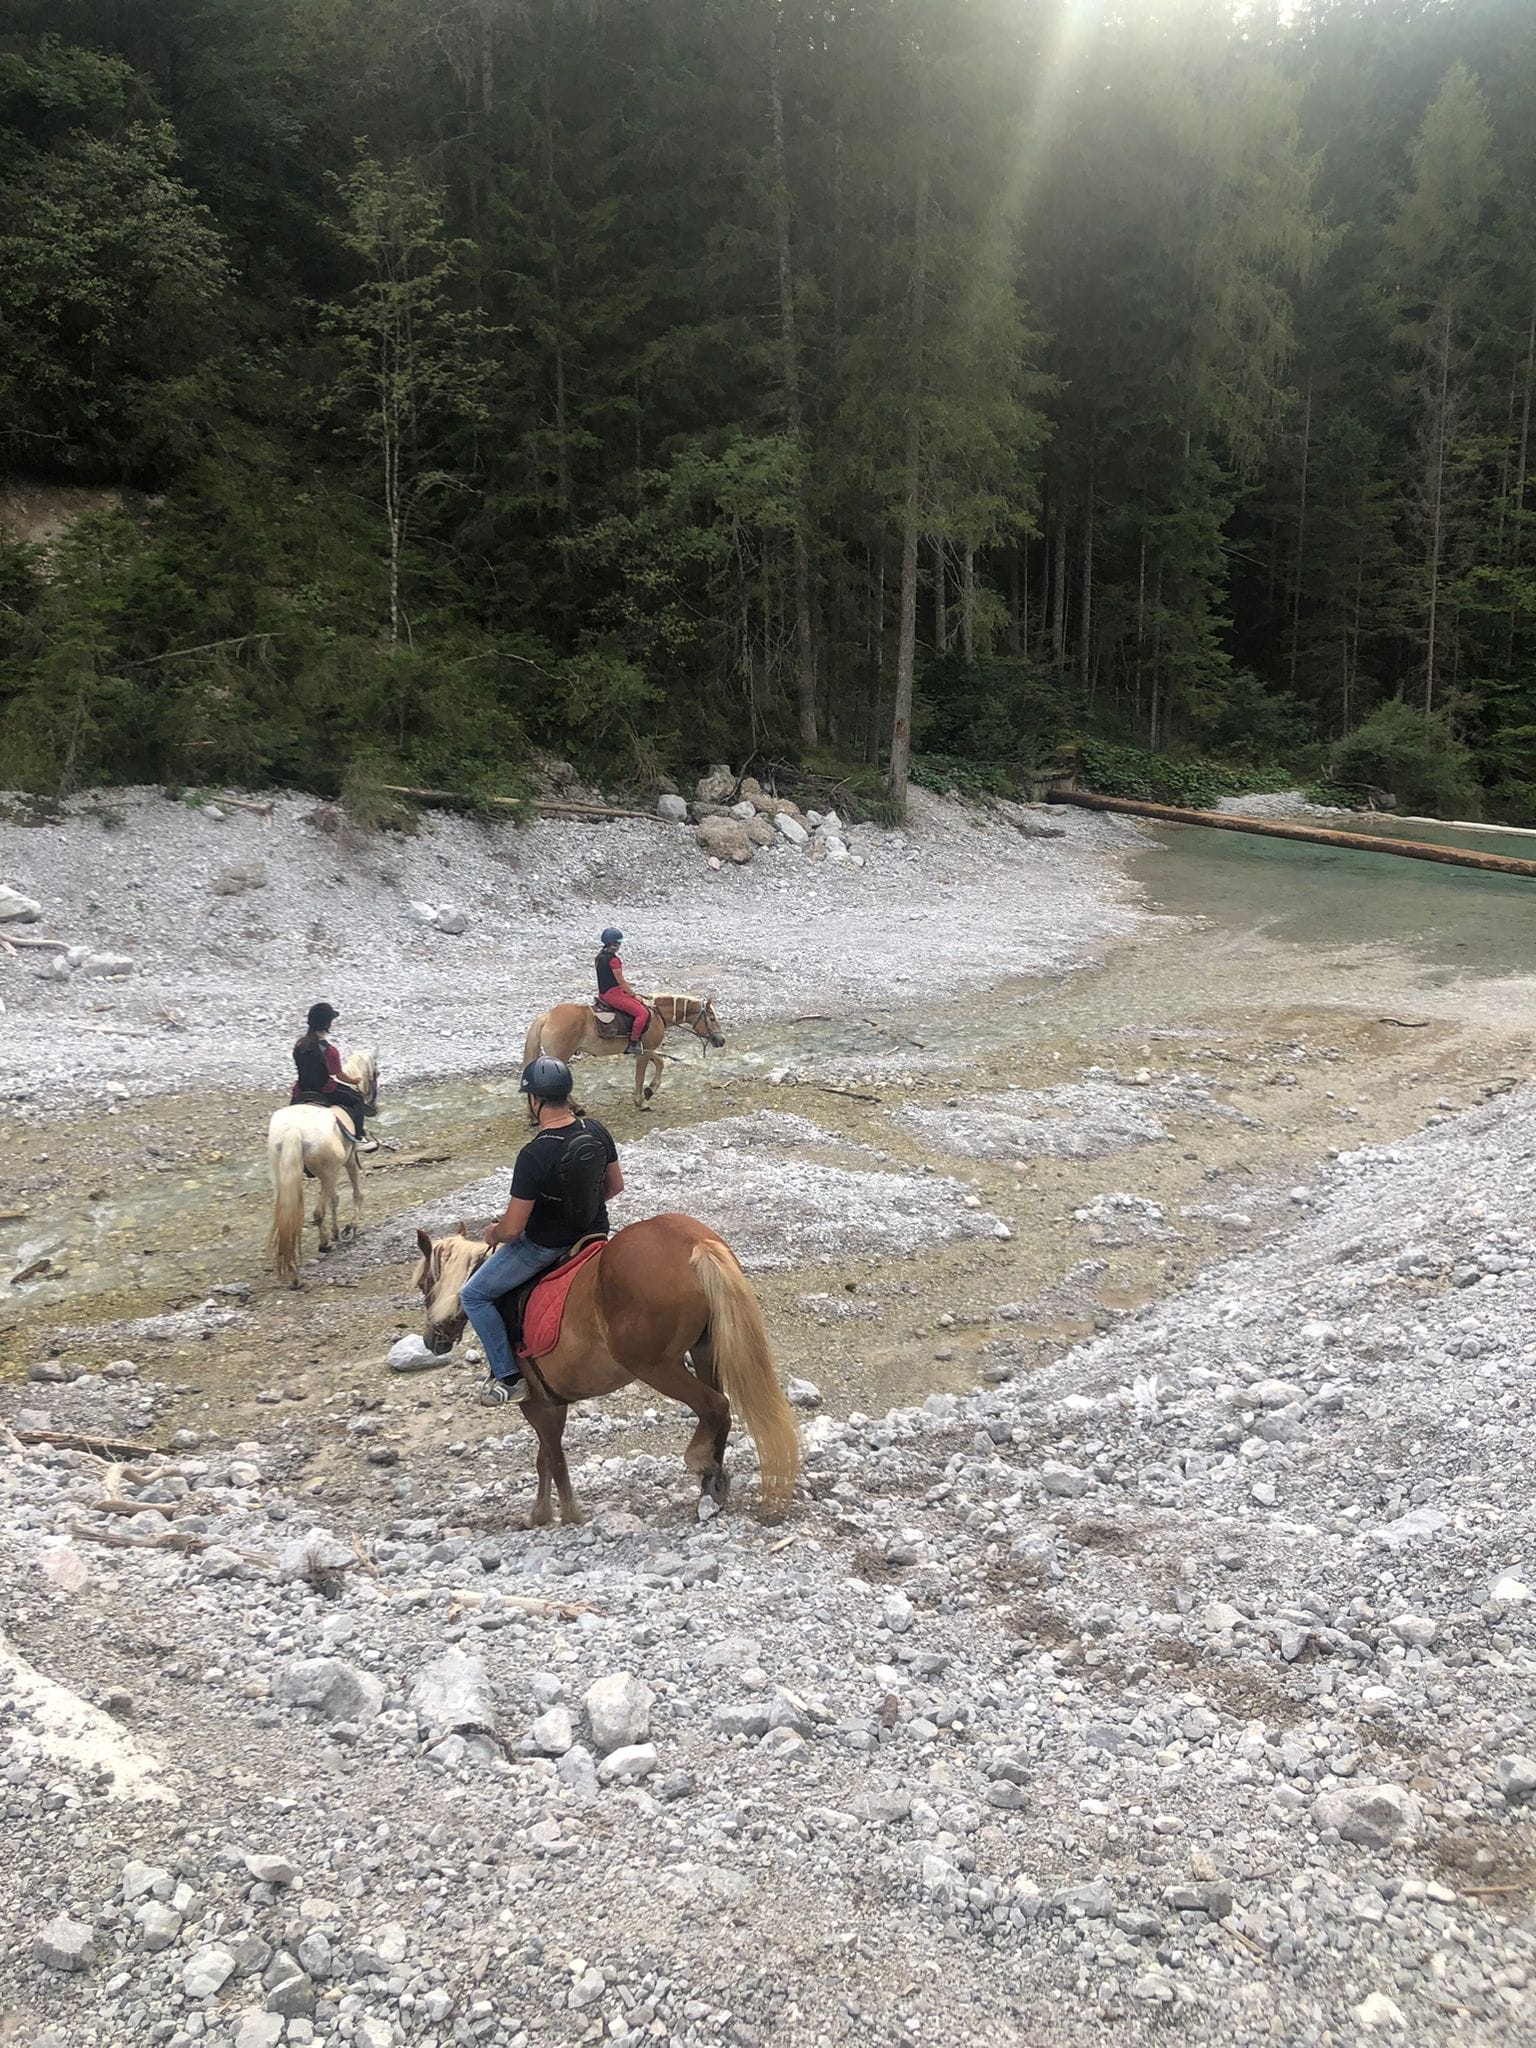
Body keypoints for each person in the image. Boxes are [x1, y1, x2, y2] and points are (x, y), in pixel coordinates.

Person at [463, 1056, 622, 1404]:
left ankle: (507, 1378)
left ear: (533, 1100)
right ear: (566, 1094)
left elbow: (513, 1229)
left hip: (545, 1247)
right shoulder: (596, 1130)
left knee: (473, 1295)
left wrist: (492, 1233)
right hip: (595, 1234)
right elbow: (615, 1186)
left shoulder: (534, 1154)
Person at [291, 1002, 377, 1152]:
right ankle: (359, 1138)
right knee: (357, 1099)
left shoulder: (299, 1044)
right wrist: (353, 1080)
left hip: (301, 1090)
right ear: (327, 1024)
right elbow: (339, 1075)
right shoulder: (329, 1050)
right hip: (325, 1090)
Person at [594, 926, 649, 1056]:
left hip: (602, 993)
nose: (619, 945)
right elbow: (621, 981)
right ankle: (633, 1043)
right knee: (642, 1013)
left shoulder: (599, 956)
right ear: (614, 944)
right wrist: (633, 995)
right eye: (618, 943)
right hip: (613, 995)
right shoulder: (614, 961)